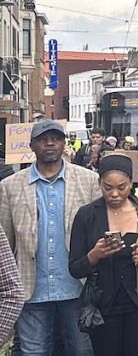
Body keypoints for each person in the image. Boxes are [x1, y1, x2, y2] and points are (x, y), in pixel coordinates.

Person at [0, 120, 99, 356]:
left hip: (77, 286)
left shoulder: (88, 180)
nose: (50, 144)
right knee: (33, 351)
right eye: (43, 139)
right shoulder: (9, 186)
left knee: (81, 350)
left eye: (55, 138)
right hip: (30, 288)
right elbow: (5, 242)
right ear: (32, 145)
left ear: (64, 143)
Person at [68, 154, 138, 356]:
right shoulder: (87, 215)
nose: (114, 194)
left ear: (131, 183)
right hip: (104, 306)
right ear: (99, 183)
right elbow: (75, 267)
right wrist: (94, 255)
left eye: (121, 187)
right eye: (107, 187)